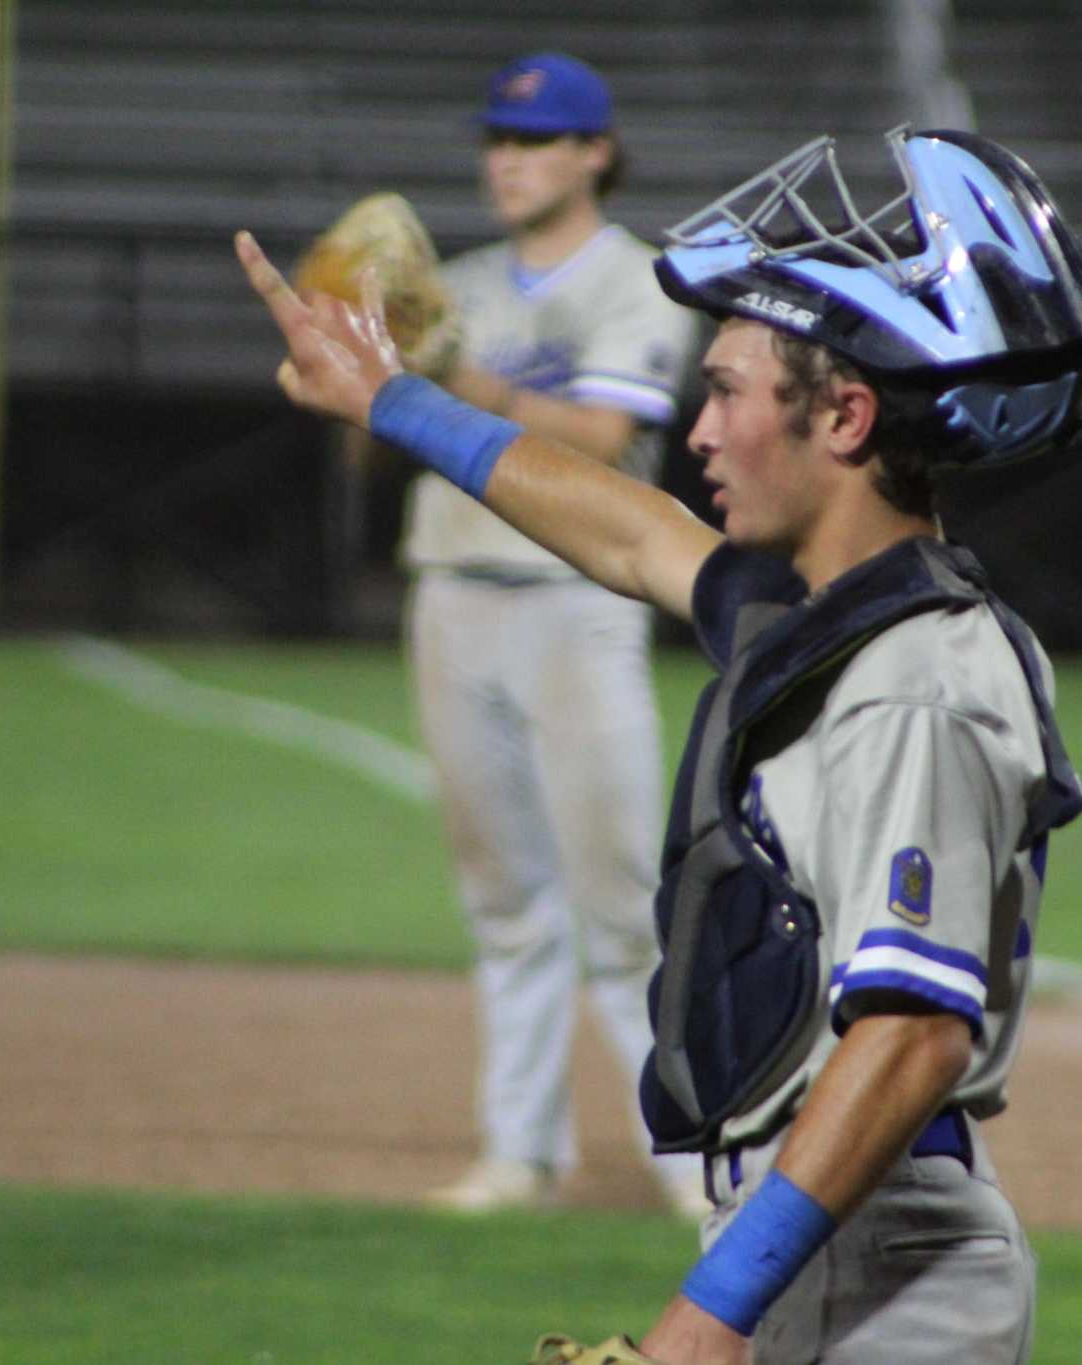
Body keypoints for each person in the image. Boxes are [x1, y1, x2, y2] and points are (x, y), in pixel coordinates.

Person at [239, 122, 1082, 1365]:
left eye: (726, 394)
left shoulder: (915, 682)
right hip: (827, 1238)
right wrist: (393, 401)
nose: (696, 433)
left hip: (882, 1263)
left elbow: (913, 1034)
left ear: (847, 416)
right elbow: (629, 535)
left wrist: (709, 1316)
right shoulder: (820, 619)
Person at [382, 52, 705, 1217]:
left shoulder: (635, 282)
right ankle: (519, 1153)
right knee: (503, 896)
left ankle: (689, 1161)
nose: (507, 161)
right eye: (498, 141)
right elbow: (391, 432)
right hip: (450, 594)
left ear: (595, 154)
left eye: (534, 141)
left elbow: (608, 437)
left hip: (580, 604)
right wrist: (364, 368)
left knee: (622, 904)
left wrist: (449, 374)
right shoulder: (454, 282)